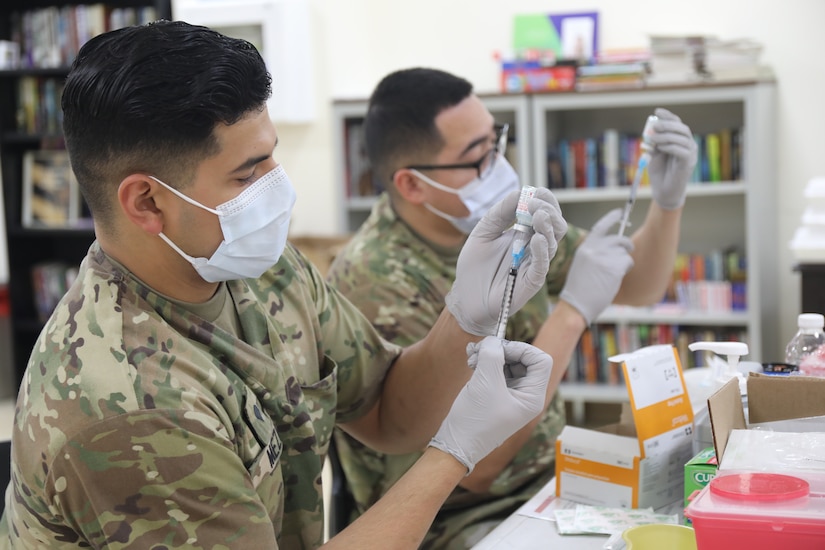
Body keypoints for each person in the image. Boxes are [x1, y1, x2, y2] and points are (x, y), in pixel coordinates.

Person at [0, 23, 570, 549]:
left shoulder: (255, 265)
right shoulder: (123, 401)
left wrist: (462, 317)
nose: (278, 189)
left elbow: (386, 412)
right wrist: (455, 453)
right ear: (148, 202)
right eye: (247, 173)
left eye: (272, 156)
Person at [327, 67, 699, 548]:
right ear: (412, 185)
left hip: (546, 479)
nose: (498, 166)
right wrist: (570, 314)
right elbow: (478, 466)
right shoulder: (376, 282)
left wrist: (666, 205)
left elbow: (639, 287)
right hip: (452, 517)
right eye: (476, 156)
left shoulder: (500, 220)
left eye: (496, 142)